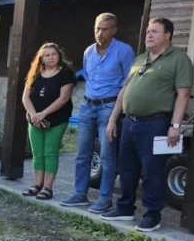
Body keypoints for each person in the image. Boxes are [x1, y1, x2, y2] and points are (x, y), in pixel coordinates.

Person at [100, 17, 191, 232]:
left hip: (156, 123)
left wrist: (175, 126)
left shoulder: (178, 59)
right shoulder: (141, 58)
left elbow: (183, 94)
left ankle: (152, 214)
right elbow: (124, 90)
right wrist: (113, 119)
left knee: (152, 170)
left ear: (167, 35)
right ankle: (125, 208)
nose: (148, 35)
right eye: (148, 31)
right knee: (127, 167)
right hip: (130, 122)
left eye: (154, 32)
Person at [61, 13, 136, 213]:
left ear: (114, 30)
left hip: (109, 107)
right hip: (87, 105)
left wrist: (116, 112)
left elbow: (128, 82)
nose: (100, 33)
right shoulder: (88, 52)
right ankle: (80, 194)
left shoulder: (124, 51)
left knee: (106, 155)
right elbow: (88, 76)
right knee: (82, 153)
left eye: (104, 29)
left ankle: (105, 199)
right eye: (97, 28)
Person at [19, 43, 77, 200]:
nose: (51, 57)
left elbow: (63, 98)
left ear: (59, 56)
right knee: (37, 154)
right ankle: (37, 185)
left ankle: (47, 188)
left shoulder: (66, 74)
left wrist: (43, 113)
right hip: (35, 121)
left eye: (54, 54)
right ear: (41, 59)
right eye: (47, 55)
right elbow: (25, 97)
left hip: (56, 120)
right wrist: (34, 115)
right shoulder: (35, 74)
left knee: (49, 153)